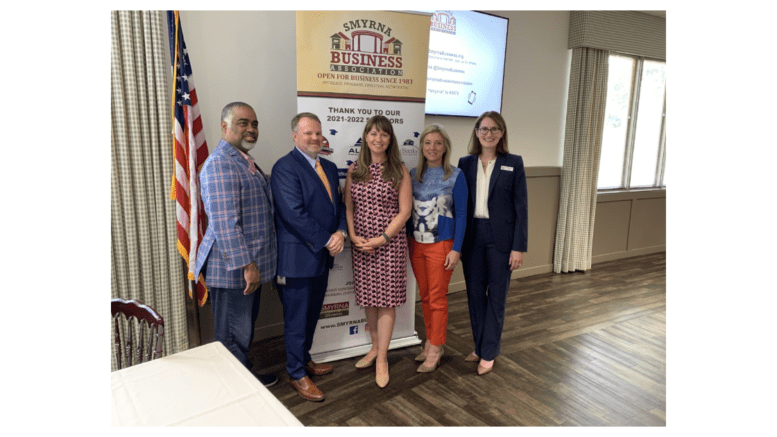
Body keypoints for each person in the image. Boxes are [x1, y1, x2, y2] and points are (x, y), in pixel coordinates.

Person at [194, 102, 278, 387]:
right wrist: (248, 265)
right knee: (232, 333)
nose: (251, 129)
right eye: (243, 123)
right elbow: (224, 222)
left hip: (240, 268)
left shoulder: (240, 159)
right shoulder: (220, 163)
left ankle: (241, 376)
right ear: (225, 126)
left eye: (254, 124)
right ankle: (236, 388)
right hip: (232, 269)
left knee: (241, 331)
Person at [270, 113, 347, 402]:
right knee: (296, 319)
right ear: (295, 136)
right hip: (297, 259)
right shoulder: (284, 168)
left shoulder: (327, 166)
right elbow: (293, 214)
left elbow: (338, 206)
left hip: (321, 258)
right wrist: (328, 240)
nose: (314, 138)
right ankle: (296, 373)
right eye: (307, 134)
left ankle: (304, 360)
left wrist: (340, 231)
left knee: (312, 315)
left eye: (318, 133)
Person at [457, 111, 528, 376]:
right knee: (475, 295)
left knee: (497, 296)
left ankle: (489, 352)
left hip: (502, 240)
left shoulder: (514, 162)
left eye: (494, 129)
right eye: (484, 129)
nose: (489, 134)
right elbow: (458, 205)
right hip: (472, 236)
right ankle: (479, 345)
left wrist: (518, 246)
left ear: (502, 133)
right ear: (476, 132)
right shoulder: (465, 163)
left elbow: (521, 208)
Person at [344, 115, 412, 388]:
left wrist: (382, 239)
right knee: (369, 299)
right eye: (372, 133)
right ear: (366, 137)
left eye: (383, 134)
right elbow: (349, 207)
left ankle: (382, 358)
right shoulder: (354, 170)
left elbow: (405, 212)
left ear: (390, 139)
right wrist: (352, 236)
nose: (377, 138)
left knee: (386, 301)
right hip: (361, 246)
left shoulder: (399, 170)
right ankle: (373, 347)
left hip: (389, 245)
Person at [407, 124, 467, 373]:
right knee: (426, 296)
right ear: (422, 147)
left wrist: (457, 249)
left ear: (445, 147)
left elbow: (462, 214)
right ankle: (430, 341)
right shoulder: (412, 174)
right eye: (428, 143)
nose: (432, 148)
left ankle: (436, 348)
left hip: (442, 244)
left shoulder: (455, 175)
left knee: (438, 298)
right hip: (416, 244)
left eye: (438, 143)